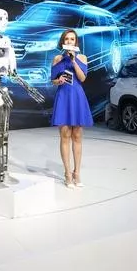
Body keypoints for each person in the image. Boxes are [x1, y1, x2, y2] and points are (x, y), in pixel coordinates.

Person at [50, 29, 93, 188]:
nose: (69, 41)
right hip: (63, 97)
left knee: (77, 135)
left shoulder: (82, 57)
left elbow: (82, 78)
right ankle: (67, 173)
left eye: (72, 39)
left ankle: (77, 173)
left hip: (77, 97)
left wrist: (74, 61)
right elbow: (53, 80)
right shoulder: (57, 58)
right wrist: (58, 80)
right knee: (65, 135)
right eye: (67, 39)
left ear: (76, 42)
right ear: (63, 41)